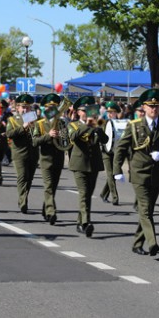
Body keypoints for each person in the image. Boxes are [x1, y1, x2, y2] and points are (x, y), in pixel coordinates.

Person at [114, 89, 159, 256]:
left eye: (156, 106)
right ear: (144, 107)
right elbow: (121, 148)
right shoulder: (134, 126)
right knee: (145, 209)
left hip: (156, 174)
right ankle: (152, 242)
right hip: (139, 173)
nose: (154, 109)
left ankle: (137, 242)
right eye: (151, 106)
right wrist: (117, 170)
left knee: (147, 210)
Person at [68, 96, 108, 236]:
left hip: (94, 163)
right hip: (79, 164)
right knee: (84, 193)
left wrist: (97, 128)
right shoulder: (73, 125)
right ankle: (86, 223)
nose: (86, 113)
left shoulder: (97, 124)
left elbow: (105, 140)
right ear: (78, 112)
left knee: (88, 195)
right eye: (83, 111)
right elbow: (73, 137)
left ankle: (80, 222)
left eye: (88, 110)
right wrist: (87, 125)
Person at [32, 94, 68, 224]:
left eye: (55, 107)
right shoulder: (40, 123)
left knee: (53, 187)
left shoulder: (62, 123)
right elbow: (35, 141)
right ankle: (51, 212)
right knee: (48, 186)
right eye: (50, 108)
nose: (52, 110)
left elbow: (65, 141)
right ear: (45, 109)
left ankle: (45, 208)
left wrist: (62, 137)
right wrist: (48, 135)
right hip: (46, 158)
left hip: (58, 158)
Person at [6, 93, 39, 214]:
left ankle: (23, 198)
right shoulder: (12, 120)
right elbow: (9, 134)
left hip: (33, 153)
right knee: (22, 177)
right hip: (19, 154)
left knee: (29, 179)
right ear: (18, 108)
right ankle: (23, 201)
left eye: (27, 107)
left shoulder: (35, 120)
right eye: (22, 107)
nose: (25, 109)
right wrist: (23, 127)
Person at [99, 101, 121, 205]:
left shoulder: (120, 123)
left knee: (114, 174)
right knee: (110, 175)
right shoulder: (103, 123)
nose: (109, 114)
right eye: (108, 112)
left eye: (111, 112)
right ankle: (115, 197)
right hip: (106, 152)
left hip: (116, 152)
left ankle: (103, 193)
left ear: (116, 113)